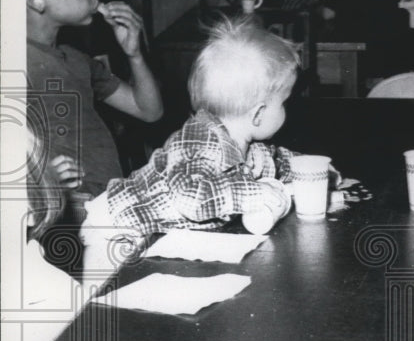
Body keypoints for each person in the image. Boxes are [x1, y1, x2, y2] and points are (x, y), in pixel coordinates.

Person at [79, 16, 319, 273]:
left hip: (154, 238)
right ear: (258, 114)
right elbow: (191, 197)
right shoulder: (199, 140)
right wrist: (254, 195)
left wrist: (309, 171)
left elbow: (273, 161)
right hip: (116, 231)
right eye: (284, 101)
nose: (287, 109)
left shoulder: (245, 147)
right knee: (105, 302)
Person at [26, 0, 163, 204]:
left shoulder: (76, 59)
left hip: (108, 205)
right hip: (64, 217)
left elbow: (148, 110)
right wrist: (38, 178)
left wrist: (134, 54)